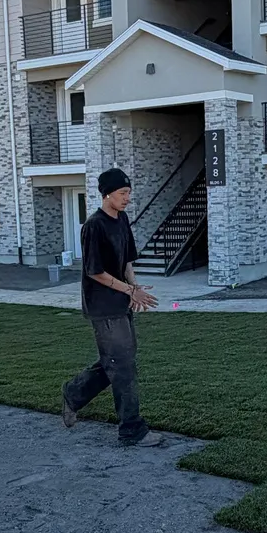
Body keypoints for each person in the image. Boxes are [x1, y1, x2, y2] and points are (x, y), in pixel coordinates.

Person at [61, 167, 165, 449]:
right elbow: (95, 272)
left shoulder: (122, 220)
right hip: (102, 306)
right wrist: (129, 290)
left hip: (120, 302)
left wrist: (135, 289)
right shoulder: (93, 226)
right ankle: (132, 430)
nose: (127, 198)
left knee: (119, 361)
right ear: (107, 194)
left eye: (128, 193)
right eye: (122, 193)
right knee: (123, 366)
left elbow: (127, 261)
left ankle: (73, 392)